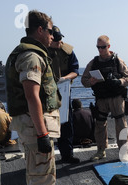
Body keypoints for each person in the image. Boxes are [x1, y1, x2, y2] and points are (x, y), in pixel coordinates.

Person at [5, 10, 67, 185]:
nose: (53, 35)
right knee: (41, 176)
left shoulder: (32, 52)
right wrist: (42, 134)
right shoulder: (31, 56)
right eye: (50, 31)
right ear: (39, 30)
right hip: (35, 126)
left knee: (44, 174)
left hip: (33, 124)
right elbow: (32, 97)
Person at [81, 35, 128, 161]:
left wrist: (119, 81)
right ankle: (101, 150)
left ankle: (124, 152)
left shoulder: (117, 61)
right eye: (98, 47)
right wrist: (91, 82)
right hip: (101, 98)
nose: (100, 50)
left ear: (109, 46)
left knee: (121, 123)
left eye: (103, 47)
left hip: (116, 97)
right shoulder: (93, 63)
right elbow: (84, 80)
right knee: (99, 123)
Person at [48, 26, 80, 164]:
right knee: (46, 123)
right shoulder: (41, 51)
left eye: (61, 39)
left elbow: (75, 70)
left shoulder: (68, 52)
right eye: (56, 39)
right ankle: (47, 157)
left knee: (66, 123)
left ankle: (67, 155)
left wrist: (65, 78)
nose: (59, 42)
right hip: (46, 93)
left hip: (64, 91)